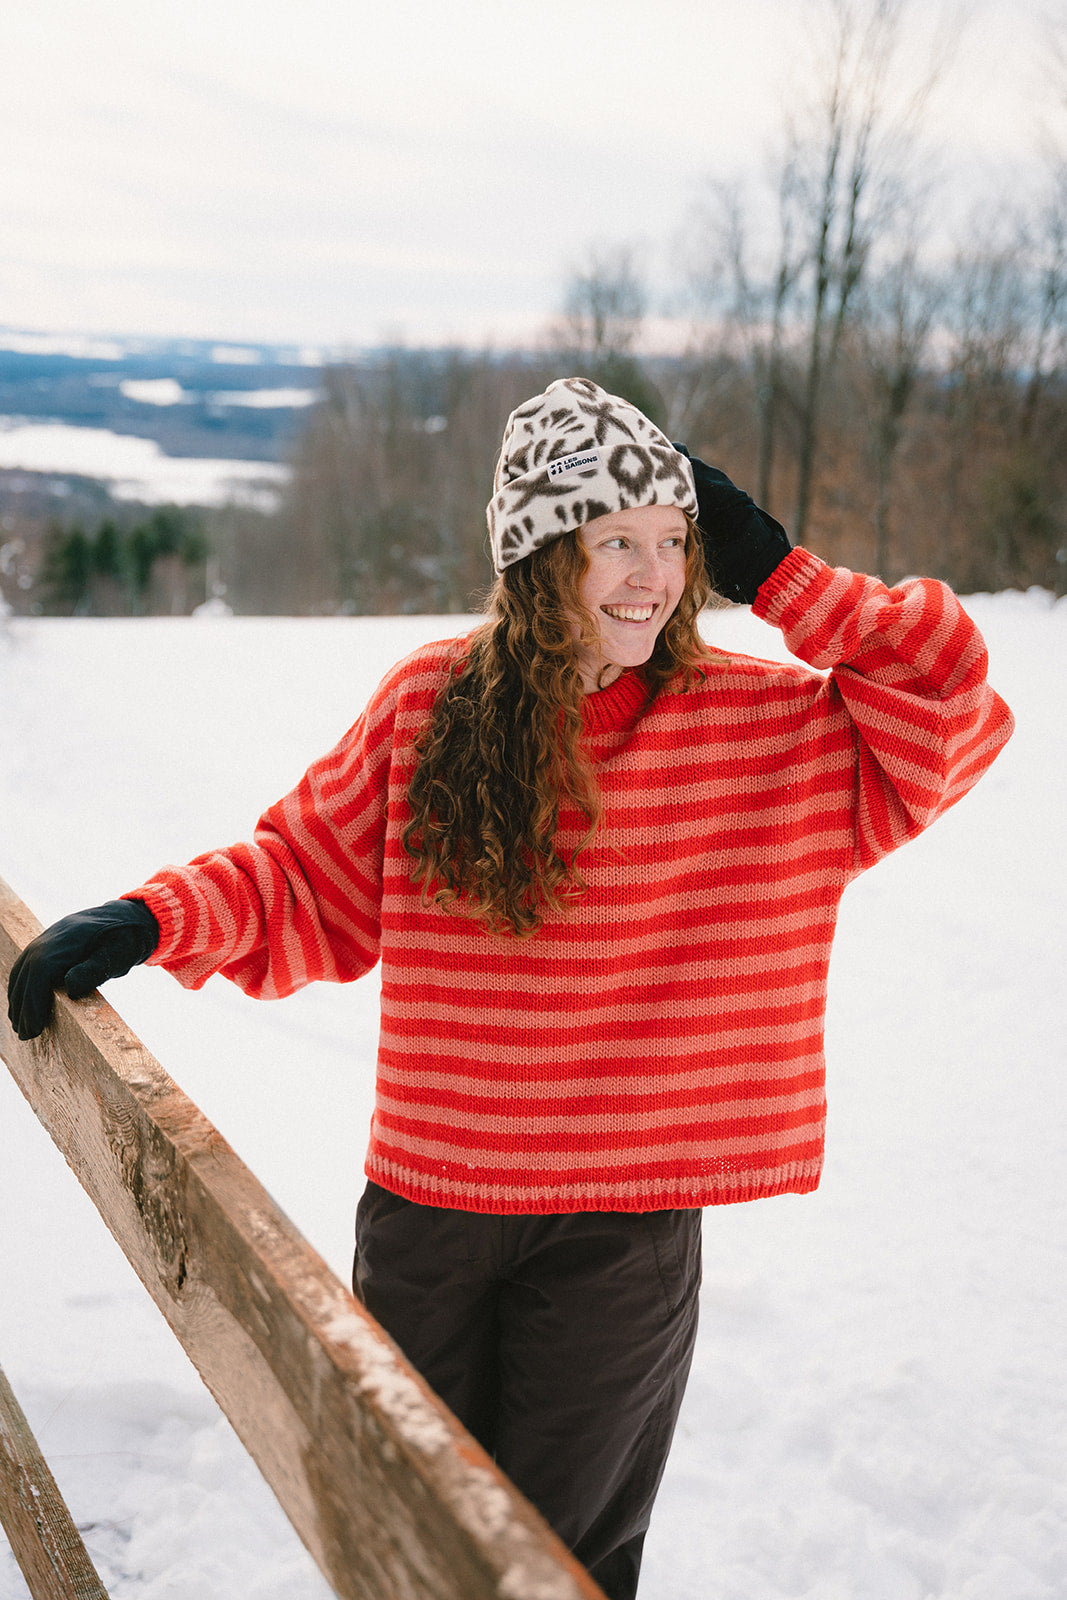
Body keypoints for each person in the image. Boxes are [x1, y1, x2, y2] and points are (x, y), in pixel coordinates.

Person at [7, 377, 1014, 1600]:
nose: (650, 576)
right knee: (390, 1538)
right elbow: (300, 876)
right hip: (430, 1206)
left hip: (619, 1239)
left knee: (555, 1567)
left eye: (672, 542)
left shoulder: (765, 732)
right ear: (541, 559)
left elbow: (948, 692)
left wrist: (781, 574)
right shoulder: (435, 703)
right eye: (613, 543)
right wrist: (153, 917)